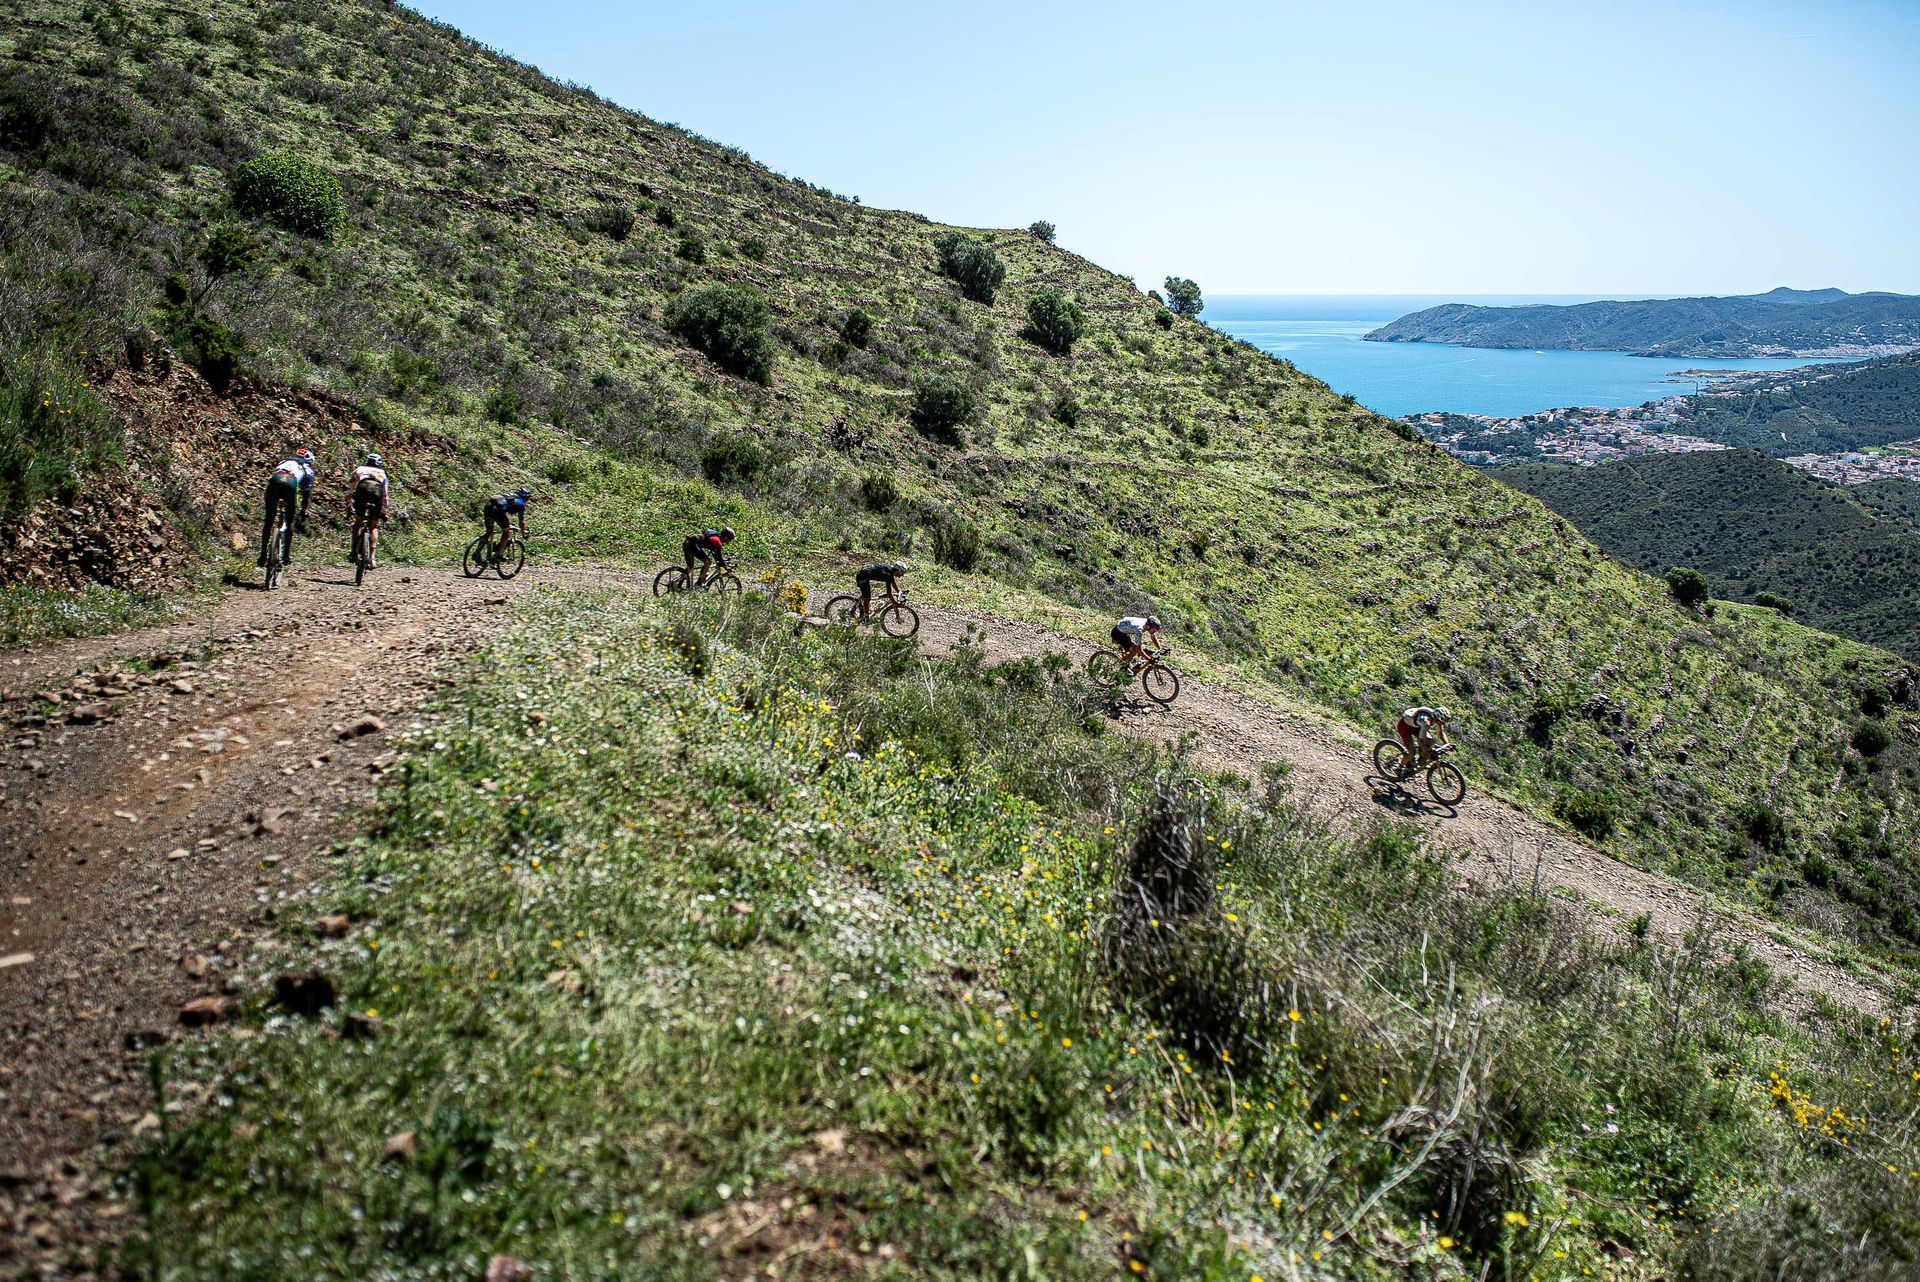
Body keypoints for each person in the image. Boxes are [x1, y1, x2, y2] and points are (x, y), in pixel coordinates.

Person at [258, 448, 316, 568]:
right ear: (310, 461)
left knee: (269, 521)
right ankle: (286, 556)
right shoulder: (308, 470)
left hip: (276, 479)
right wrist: (303, 511)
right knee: (290, 521)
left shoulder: (283, 461)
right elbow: (306, 494)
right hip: (291, 482)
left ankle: (262, 555)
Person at [348, 453, 389, 568]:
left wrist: (348, 505)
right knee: (374, 525)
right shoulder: (382, 474)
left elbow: (350, 488)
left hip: (363, 489)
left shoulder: (359, 469)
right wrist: (384, 511)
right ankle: (372, 558)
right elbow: (385, 495)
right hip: (377, 491)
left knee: (358, 522)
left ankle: (353, 552)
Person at [1395, 704, 1453, 772]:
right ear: (1438, 719)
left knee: (1431, 741)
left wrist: (1448, 744)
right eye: (1442, 722)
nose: (1443, 724)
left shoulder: (1434, 716)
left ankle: (1419, 759)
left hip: (1416, 725)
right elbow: (1421, 740)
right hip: (1404, 727)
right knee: (1412, 752)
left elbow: (1441, 733)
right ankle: (1399, 768)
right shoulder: (1426, 723)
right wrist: (1428, 752)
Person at [482, 486, 531, 558]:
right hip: (498, 512)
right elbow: (521, 522)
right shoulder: (521, 504)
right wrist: (523, 533)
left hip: (488, 507)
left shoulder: (509, 496)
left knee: (489, 532)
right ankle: (499, 554)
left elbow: (503, 508)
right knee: (506, 532)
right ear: (526, 498)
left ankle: (477, 552)